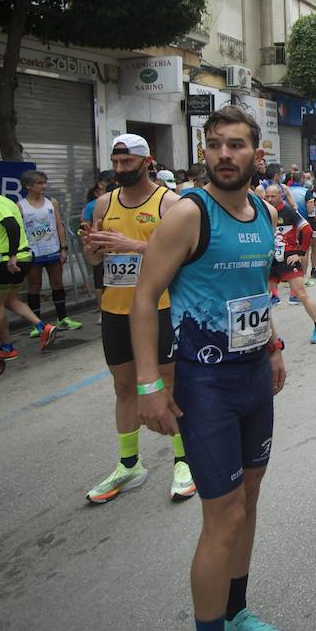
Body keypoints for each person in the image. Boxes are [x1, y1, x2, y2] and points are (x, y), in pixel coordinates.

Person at [134, 106, 286, 631]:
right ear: (204, 151)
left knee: (249, 499)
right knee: (221, 517)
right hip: (205, 385)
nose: (226, 154)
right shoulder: (188, 212)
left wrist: (272, 347)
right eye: (216, 144)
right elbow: (144, 296)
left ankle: (236, 613)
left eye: (237, 145)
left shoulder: (264, 213)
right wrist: (150, 384)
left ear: (256, 154)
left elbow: (255, 291)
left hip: (252, 377)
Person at [80, 134, 192, 505]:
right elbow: (97, 262)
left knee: (168, 383)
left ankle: (183, 460)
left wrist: (135, 246)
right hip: (116, 308)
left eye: (127, 163)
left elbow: (181, 255)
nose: (120, 169)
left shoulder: (170, 203)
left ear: (147, 162)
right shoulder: (102, 205)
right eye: (116, 163)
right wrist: (92, 250)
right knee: (124, 387)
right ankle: (129, 465)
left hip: (160, 306)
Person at [0, 174, 56, 362]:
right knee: (10, 300)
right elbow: (1, 228)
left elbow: (11, 226)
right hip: (19, 257)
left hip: (5, 260)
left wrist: (11, 256)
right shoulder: (4, 202)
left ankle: (7, 347)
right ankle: (44, 328)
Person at [260, 184, 316, 346]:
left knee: (301, 294)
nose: (269, 199)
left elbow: (307, 230)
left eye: (273, 196)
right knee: (261, 299)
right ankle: (266, 336)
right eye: (267, 196)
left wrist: (301, 253)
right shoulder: (263, 212)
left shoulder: (289, 212)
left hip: (289, 257)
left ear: (280, 196)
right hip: (271, 260)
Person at [20, 170, 80, 334]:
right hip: (33, 252)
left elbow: (59, 226)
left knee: (57, 283)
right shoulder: (20, 206)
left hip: (52, 249)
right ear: (28, 186)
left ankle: (63, 319)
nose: (43, 186)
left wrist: (64, 247)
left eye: (44, 182)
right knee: (34, 286)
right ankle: (37, 325)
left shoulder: (52, 202)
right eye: (39, 183)